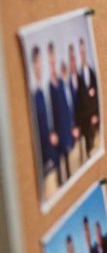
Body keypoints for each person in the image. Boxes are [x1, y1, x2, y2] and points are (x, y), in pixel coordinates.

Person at [30, 45, 59, 186]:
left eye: (40, 62)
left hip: (53, 155)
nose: (39, 66)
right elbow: (38, 130)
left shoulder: (42, 92)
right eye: (37, 62)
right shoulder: (35, 97)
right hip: (46, 162)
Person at [49, 43, 75, 182]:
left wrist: (71, 126)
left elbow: (67, 107)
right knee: (60, 169)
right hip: (58, 131)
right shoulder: (51, 85)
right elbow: (52, 111)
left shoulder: (61, 83)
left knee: (69, 163)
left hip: (66, 129)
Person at [73, 38, 99, 159]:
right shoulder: (78, 76)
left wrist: (95, 114)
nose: (82, 54)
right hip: (84, 118)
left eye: (84, 51)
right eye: (80, 52)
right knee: (85, 149)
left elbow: (97, 96)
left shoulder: (92, 73)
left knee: (94, 144)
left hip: (93, 116)